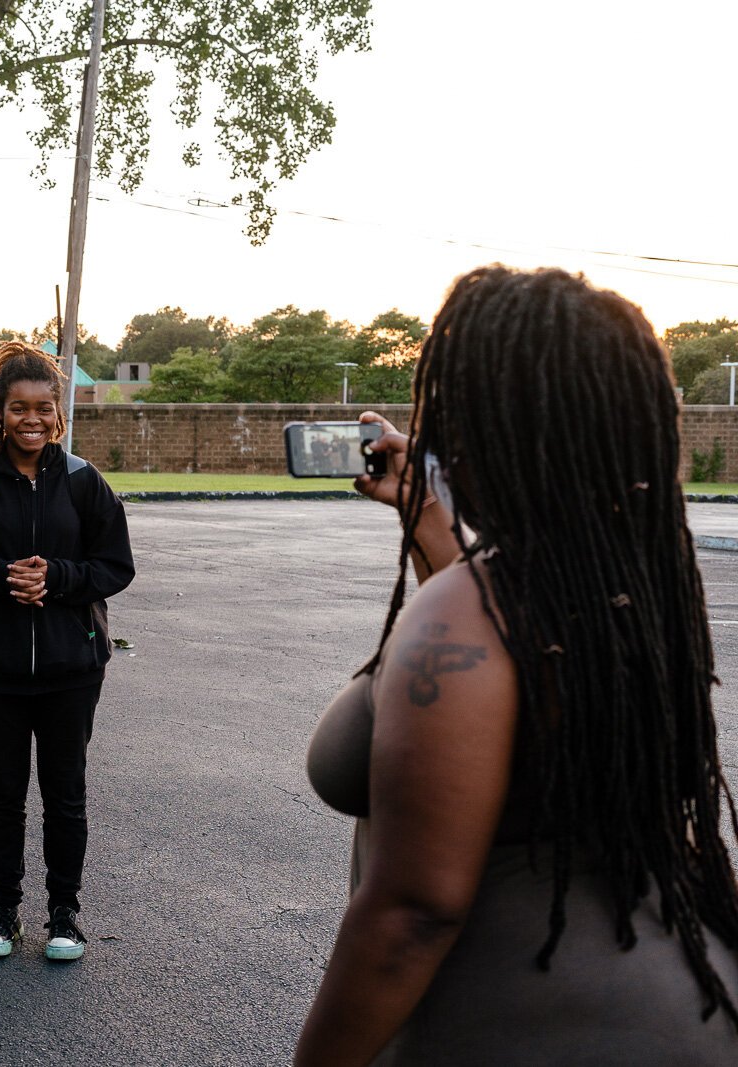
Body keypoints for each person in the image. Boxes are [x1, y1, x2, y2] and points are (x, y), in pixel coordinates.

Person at [298, 266, 738, 1064]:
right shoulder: (630, 590)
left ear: (485, 431)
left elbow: (412, 914)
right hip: (682, 1014)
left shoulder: (469, 610)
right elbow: (510, 670)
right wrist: (429, 518)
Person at [0, 341, 134, 961]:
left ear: (57, 413)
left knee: (65, 793)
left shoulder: (82, 479)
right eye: (19, 408)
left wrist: (58, 579)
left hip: (73, 667)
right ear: (0, 411)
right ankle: (4, 911)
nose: (32, 419)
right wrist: (3, 578)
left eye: (44, 408)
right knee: (3, 793)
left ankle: (64, 914)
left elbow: (116, 565)